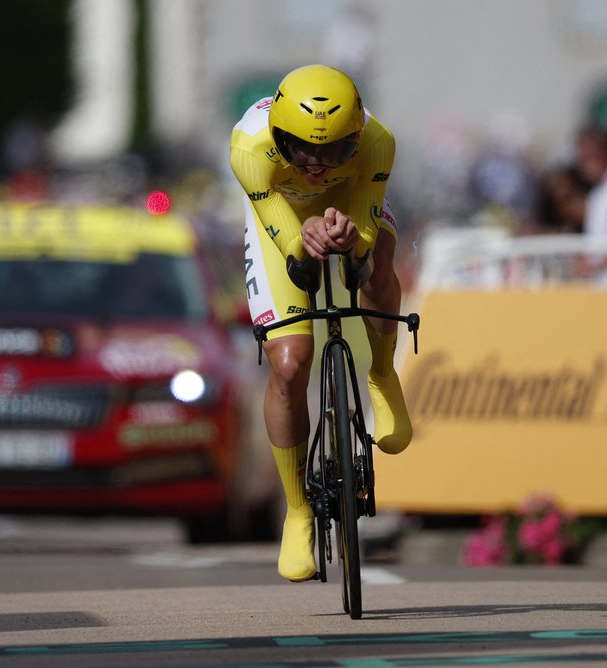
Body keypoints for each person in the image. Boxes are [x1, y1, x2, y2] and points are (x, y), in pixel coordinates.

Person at [229, 64, 412, 582]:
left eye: (334, 151)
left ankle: (381, 373)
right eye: (301, 149)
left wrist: (355, 241)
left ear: (356, 137)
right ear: (278, 135)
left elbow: (366, 233)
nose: (315, 163)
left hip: (350, 208)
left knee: (377, 262)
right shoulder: (248, 145)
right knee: (289, 365)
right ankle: (298, 510)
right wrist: (302, 242)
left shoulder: (378, 142)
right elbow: (293, 252)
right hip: (281, 217)